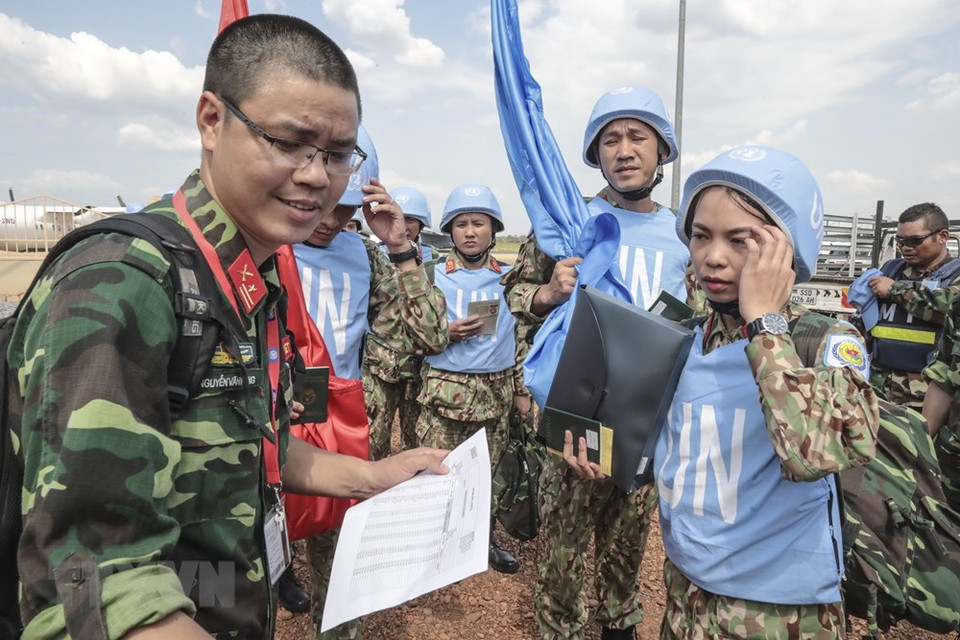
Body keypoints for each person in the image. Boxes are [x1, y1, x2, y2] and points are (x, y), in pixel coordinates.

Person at [8, 15, 448, 639]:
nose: (318, 176)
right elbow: (96, 581)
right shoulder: (124, 282)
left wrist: (367, 476)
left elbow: (250, 444)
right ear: (212, 121)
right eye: (290, 142)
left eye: (337, 154)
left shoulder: (249, 278)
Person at [563, 146, 880, 640]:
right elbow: (666, 457)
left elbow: (816, 453)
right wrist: (598, 456)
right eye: (700, 236)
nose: (713, 256)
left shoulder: (823, 342)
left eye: (741, 240)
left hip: (777, 614)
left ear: (788, 251)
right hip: (685, 595)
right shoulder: (680, 339)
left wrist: (765, 326)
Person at [501, 85, 696, 640]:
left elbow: (698, 318)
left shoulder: (684, 233)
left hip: (645, 417)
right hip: (578, 411)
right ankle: (559, 627)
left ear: (662, 152)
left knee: (628, 535)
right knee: (563, 541)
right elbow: (513, 300)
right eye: (610, 140)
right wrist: (548, 293)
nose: (624, 149)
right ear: (596, 155)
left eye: (638, 137)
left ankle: (618, 623)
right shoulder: (569, 222)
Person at [281, 127, 448, 638]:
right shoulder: (266, 249)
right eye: (327, 205)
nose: (332, 221)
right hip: (273, 421)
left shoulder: (366, 256)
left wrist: (399, 246)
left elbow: (430, 334)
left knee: (342, 554)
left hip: (346, 422)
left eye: (346, 209)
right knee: (257, 547)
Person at [417, 183, 526, 574]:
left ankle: (484, 539)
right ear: (450, 231)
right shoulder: (430, 276)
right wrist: (445, 332)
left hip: (493, 392)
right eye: (461, 223)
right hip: (444, 390)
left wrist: (521, 391)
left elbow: (518, 338)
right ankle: (434, 543)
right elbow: (409, 331)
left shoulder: (509, 278)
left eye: (478, 223)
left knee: (487, 471)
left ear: (492, 229)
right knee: (437, 467)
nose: (469, 231)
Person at [857, 203, 960, 410]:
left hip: (929, 395)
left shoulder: (954, 275)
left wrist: (895, 290)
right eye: (900, 241)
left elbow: (946, 308)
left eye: (915, 241)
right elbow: (866, 319)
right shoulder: (890, 270)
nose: (905, 247)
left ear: (942, 237)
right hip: (878, 387)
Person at [365, 185, 439, 462]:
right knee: (373, 441)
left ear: (422, 224)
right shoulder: (371, 258)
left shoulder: (435, 263)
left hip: (420, 367)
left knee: (418, 441)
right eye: (400, 217)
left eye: (411, 219)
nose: (404, 225)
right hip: (379, 366)